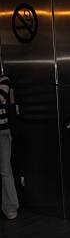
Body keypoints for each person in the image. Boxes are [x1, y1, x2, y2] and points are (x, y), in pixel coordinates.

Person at [0, 73, 19, 220]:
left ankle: (10, 207)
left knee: (5, 170)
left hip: (2, 132)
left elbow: (0, 97)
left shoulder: (4, 79)